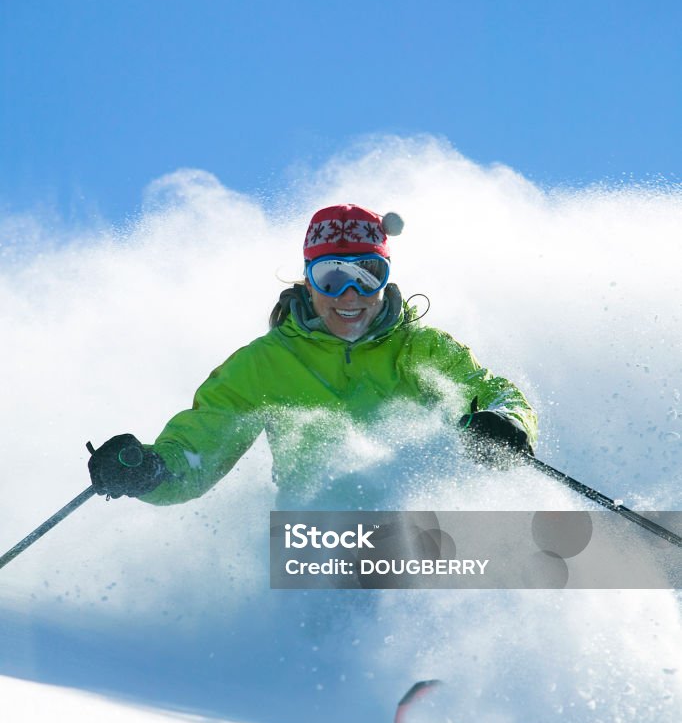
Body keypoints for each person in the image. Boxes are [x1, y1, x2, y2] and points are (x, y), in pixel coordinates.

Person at [88, 204, 537, 505]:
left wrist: (505, 424)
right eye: (331, 277)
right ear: (307, 280)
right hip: (316, 542)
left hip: (424, 524)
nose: (350, 295)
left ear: (386, 277)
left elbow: (492, 394)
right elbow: (200, 448)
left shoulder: (420, 349)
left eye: (367, 275)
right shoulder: (262, 366)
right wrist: (152, 470)